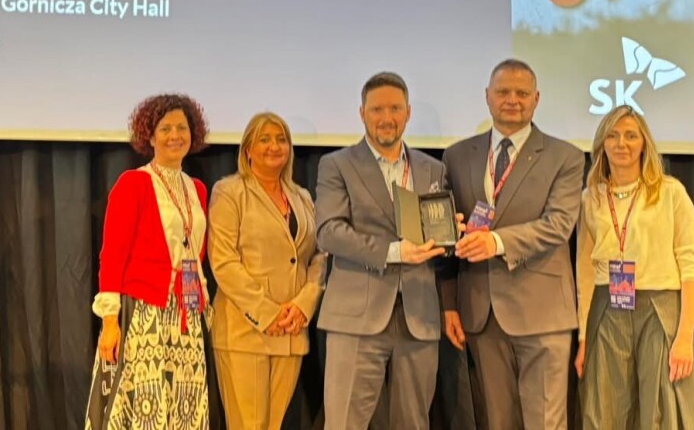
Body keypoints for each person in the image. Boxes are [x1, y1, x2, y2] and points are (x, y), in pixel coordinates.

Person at [440, 58, 584, 430]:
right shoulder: (456, 156)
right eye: (503, 92)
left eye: (522, 93)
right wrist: (449, 303)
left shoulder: (565, 157)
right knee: (496, 422)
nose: (512, 100)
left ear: (537, 99)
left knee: (546, 423)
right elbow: (445, 236)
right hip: (480, 313)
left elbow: (559, 225)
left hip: (542, 312)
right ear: (487, 96)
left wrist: (497, 242)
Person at [315, 72, 450, 430]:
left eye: (395, 109)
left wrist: (451, 236)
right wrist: (393, 252)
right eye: (377, 109)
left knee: (413, 423)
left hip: (418, 316)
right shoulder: (337, 164)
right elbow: (329, 232)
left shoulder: (432, 169)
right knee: (344, 423)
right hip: (356, 315)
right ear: (362, 113)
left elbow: (435, 237)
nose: (386, 117)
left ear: (408, 113)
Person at [84, 93, 213, 430]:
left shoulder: (197, 189)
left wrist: (198, 305)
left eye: (181, 128)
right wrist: (110, 322)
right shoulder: (134, 184)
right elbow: (112, 255)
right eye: (165, 128)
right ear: (150, 136)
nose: (175, 135)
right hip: (144, 313)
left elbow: (194, 253)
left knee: (184, 404)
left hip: (186, 312)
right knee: (145, 404)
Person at [575, 105, 694, 429]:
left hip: (659, 312)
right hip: (607, 311)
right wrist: (583, 338)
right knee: (603, 412)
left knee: (661, 413)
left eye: (631, 136)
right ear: (602, 143)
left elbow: (691, 266)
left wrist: (684, 336)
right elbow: (585, 271)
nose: (622, 144)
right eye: (613, 136)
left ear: (644, 142)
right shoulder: (590, 198)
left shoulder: (670, 193)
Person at [208, 111, 327, 430]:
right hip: (245, 332)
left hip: (291, 331)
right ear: (248, 149)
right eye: (265, 139)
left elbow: (319, 256)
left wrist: (304, 304)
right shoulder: (229, 192)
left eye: (281, 139)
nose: (274, 146)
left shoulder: (302, 197)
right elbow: (223, 261)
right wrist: (267, 313)